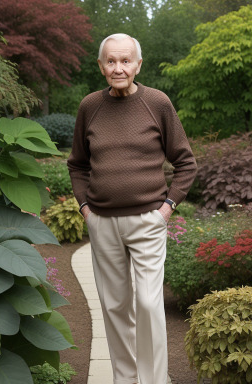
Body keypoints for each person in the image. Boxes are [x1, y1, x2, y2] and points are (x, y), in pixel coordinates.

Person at [67, 33, 197, 384]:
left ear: (138, 64)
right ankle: (124, 379)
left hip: (148, 222)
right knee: (114, 308)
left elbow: (186, 163)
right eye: (111, 61)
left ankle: (153, 380)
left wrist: (167, 209)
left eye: (126, 60)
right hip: (102, 223)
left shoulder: (157, 103)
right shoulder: (89, 106)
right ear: (101, 66)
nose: (118, 67)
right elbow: (77, 164)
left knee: (150, 307)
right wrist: (85, 211)